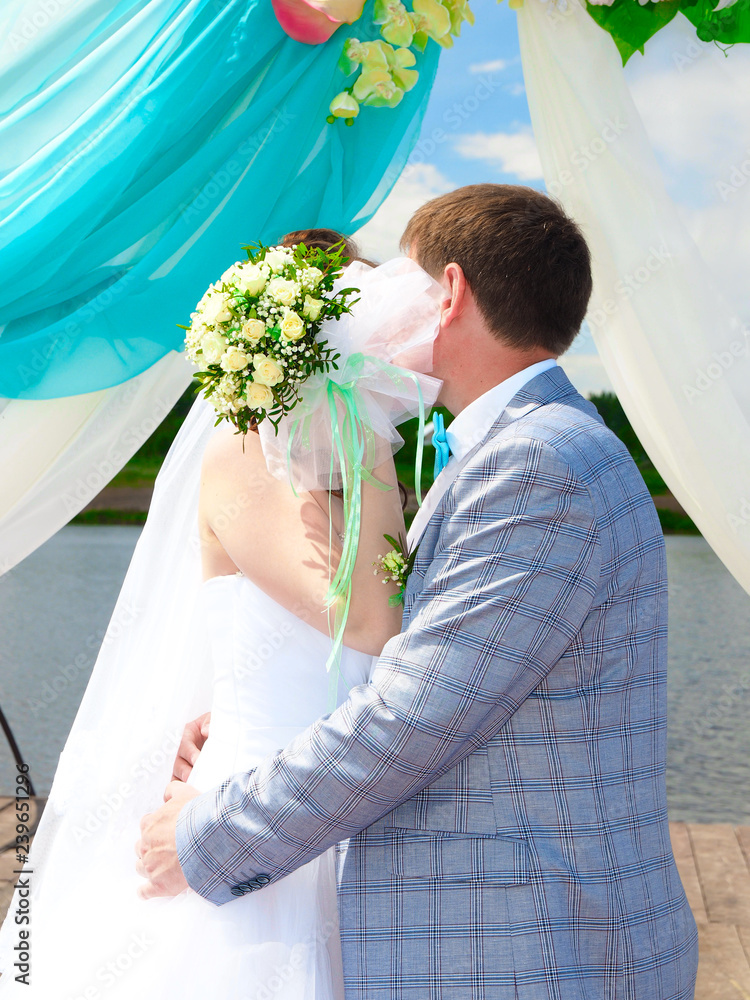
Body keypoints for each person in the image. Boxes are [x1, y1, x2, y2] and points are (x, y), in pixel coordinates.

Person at [141, 185, 700, 999]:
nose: (377, 308)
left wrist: (206, 837)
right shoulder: (509, 450)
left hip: (529, 949)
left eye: (400, 282)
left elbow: (414, 714)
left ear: (451, 293)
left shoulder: (533, 464)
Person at [0, 230, 442, 998]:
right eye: (362, 333)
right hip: (253, 822)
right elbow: (370, 625)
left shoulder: (356, 473)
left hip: (345, 815)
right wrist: (369, 434)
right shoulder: (244, 455)